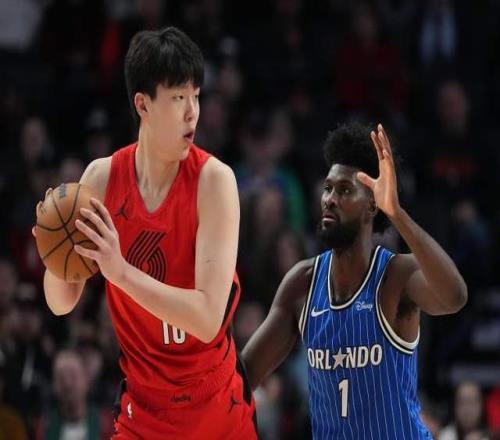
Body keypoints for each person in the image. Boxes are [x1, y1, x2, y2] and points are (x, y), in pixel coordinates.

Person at [34, 26, 257, 439]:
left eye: (196, 96)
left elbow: (207, 319)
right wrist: (54, 253)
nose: (192, 112)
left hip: (213, 407)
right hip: (144, 407)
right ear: (143, 104)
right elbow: (61, 303)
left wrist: (119, 272)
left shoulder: (215, 182)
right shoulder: (102, 179)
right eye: (178, 98)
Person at [242, 122, 467, 439]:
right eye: (328, 188)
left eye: (345, 190)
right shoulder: (302, 284)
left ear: (372, 205)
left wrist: (397, 214)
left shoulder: (395, 276)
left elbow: (455, 296)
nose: (330, 199)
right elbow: (243, 378)